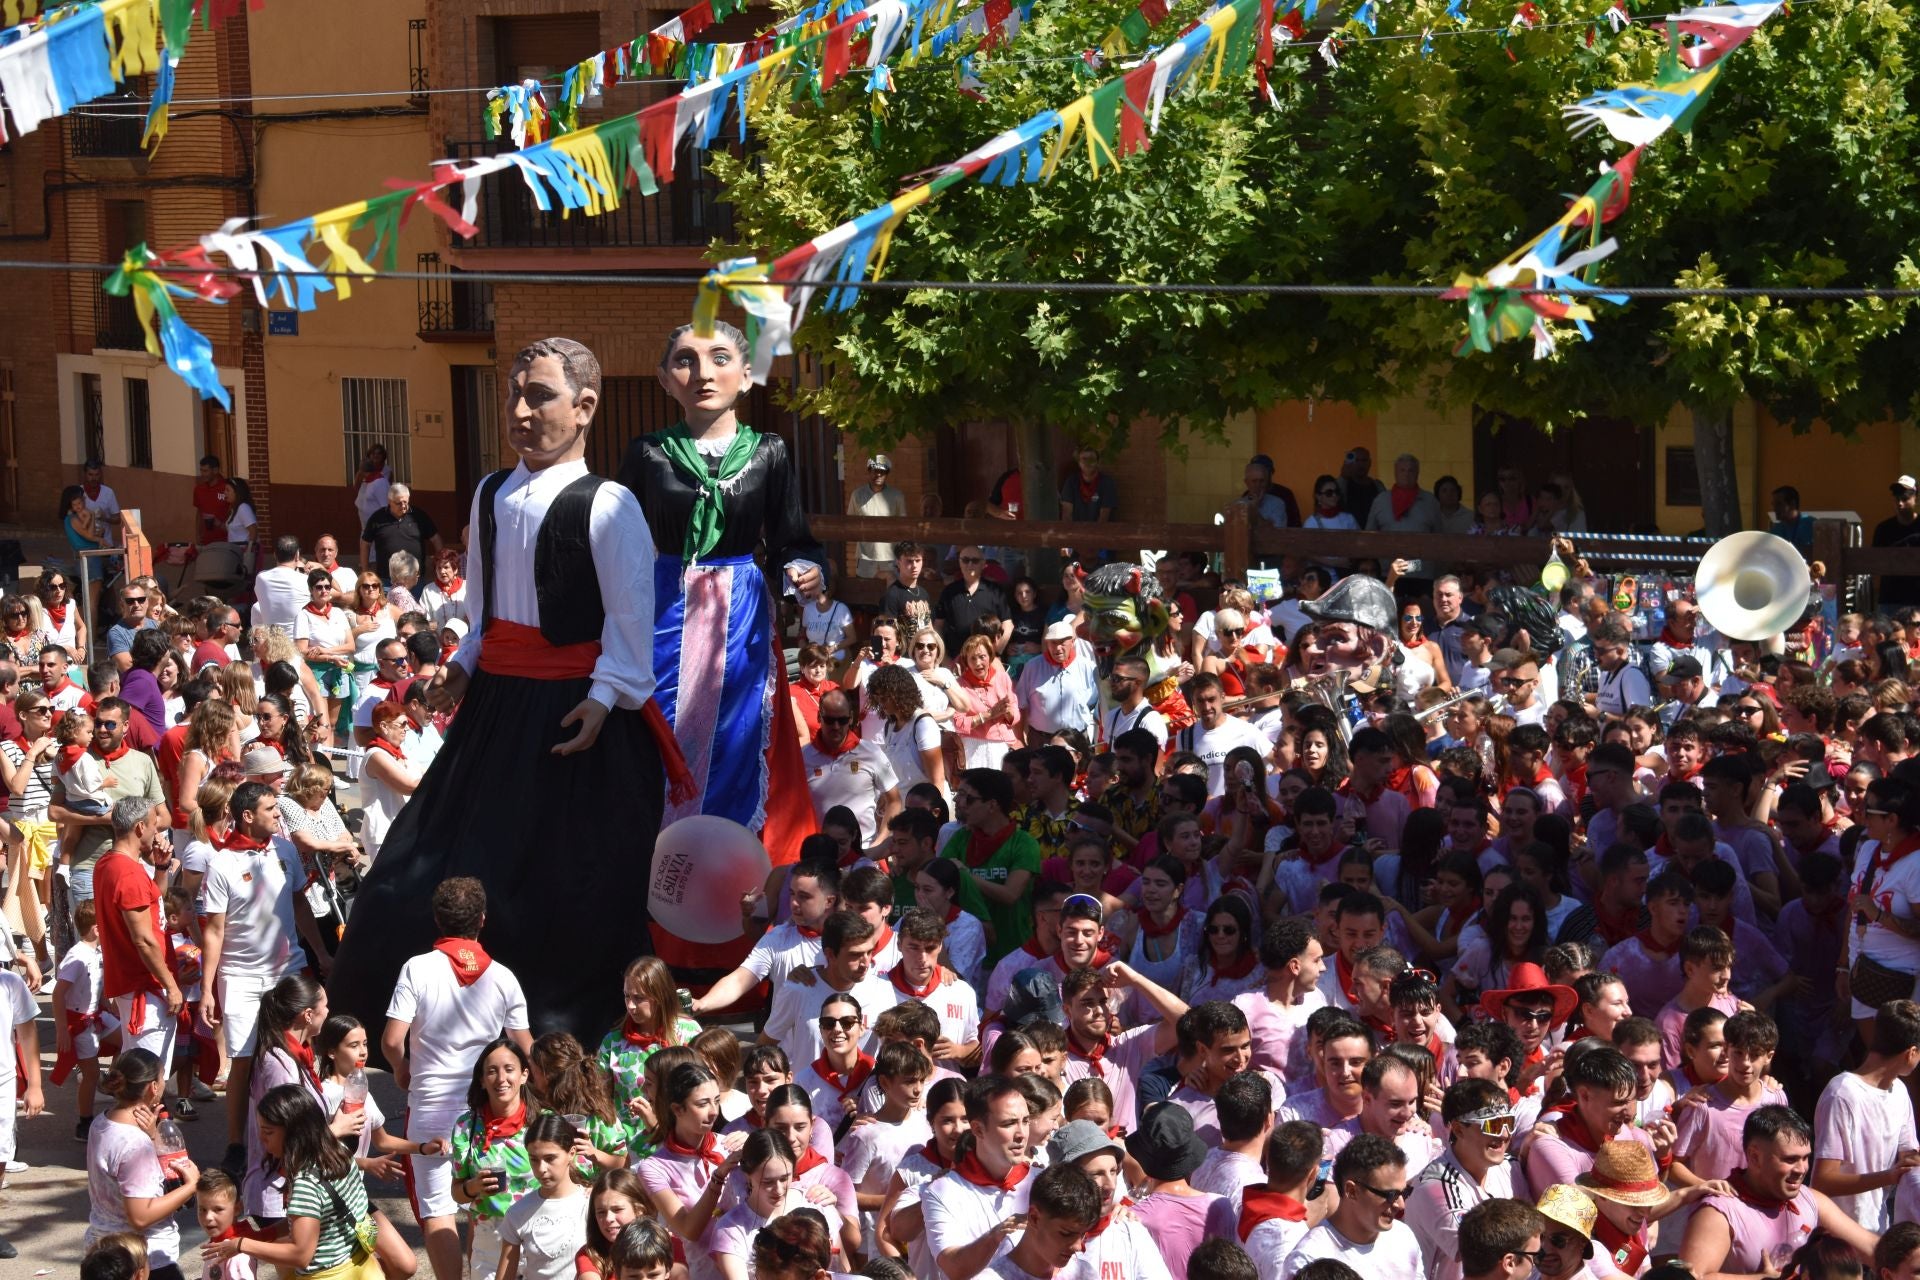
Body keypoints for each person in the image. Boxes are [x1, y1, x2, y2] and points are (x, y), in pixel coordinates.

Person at [334, 338, 691, 1045]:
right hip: (497, 708)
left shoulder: (610, 503)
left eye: (541, 397)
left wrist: (603, 697)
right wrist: (465, 663)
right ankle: (439, 1020)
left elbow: (631, 623)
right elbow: (484, 612)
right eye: (514, 396)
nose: (520, 412)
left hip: (579, 718)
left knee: (566, 883)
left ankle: (564, 1036)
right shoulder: (491, 491)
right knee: (421, 872)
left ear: (586, 407)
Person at [617, 322, 823, 901]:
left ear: (748, 373)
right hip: (664, 609)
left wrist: (804, 569)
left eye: (720, 358)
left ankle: (731, 886)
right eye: (685, 361)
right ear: (664, 379)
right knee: (658, 735)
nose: (703, 373)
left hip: (740, 620)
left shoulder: (770, 452)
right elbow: (617, 538)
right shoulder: (648, 452)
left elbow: (792, 539)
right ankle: (653, 881)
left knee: (738, 739)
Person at [380, 877, 534, 1280]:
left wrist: (402, 1069)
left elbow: (393, 1040)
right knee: (487, 1203)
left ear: (436, 919)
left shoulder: (417, 968)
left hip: (429, 1105)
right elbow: (526, 1047)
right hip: (486, 1107)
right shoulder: (503, 976)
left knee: (437, 1210)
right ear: (483, 920)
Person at [202, 782, 325, 1166]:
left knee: (300, 1052)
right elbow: (213, 930)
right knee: (243, 1059)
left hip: (286, 974)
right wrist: (207, 989)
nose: (278, 813)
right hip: (239, 976)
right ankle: (238, 1145)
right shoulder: (221, 863)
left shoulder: (286, 851)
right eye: (271, 808)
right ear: (247, 816)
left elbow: (299, 903)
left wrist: (320, 952)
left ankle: (306, 1132)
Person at [1679, 1106, 1879, 1280]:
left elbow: (1873, 1250)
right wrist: (1761, 1279)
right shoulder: (1719, 1212)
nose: (1801, 1169)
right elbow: (1690, 1278)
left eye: (1805, 1158)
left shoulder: (1810, 1199)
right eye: (1790, 1159)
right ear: (1755, 1157)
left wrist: (1907, 1257)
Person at [84, 1049, 198, 1280]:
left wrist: (153, 1135)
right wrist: (191, 1186)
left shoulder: (102, 1121)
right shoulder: (135, 1144)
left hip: (104, 1250)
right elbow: (140, 1216)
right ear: (153, 1087)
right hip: (144, 1260)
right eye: (162, 1077)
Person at [1812, 997, 1920, 1232]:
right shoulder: (1842, 1093)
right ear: (1911, 1053)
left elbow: (1909, 1155)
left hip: (1878, 1231)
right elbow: (1823, 1181)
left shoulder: (1899, 1090)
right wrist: (1888, 1176)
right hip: (1837, 1239)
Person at [1404, 1078, 1526, 1280]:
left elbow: (1534, 1230)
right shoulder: (1436, 1186)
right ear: (1459, 1129)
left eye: (1509, 1123)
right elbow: (1481, 1253)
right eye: (1494, 1125)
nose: (1504, 1135)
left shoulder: (1510, 1166)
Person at [1280, 1133, 1424, 1280]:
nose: (1400, 1205)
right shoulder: (1308, 1259)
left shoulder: (1404, 1237)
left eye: (1404, 1192)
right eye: (1390, 1195)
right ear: (1352, 1191)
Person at [936, 546, 1015, 656]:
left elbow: (1008, 625)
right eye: (965, 560)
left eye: (975, 561)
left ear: (983, 564)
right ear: (959, 562)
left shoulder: (995, 591)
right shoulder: (949, 592)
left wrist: (995, 653)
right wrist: (945, 659)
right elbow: (938, 626)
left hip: (986, 663)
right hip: (956, 662)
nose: (970, 564)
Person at [849, 454, 906, 578]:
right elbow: (850, 522)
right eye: (875, 471)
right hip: (865, 555)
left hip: (890, 555)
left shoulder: (897, 496)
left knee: (892, 590)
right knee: (864, 590)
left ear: (887, 474)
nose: (878, 475)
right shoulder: (857, 495)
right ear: (869, 472)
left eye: (882, 472)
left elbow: (903, 526)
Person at [1873, 474, 1920, 608]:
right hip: (1890, 599)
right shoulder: (1883, 529)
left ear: (1915, 498)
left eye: (1905, 498)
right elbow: (1874, 562)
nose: (1900, 503)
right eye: (1897, 498)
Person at [353, 444, 391, 530]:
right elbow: (357, 486)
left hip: (377, 512)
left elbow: (385, 496)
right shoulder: (363, 468)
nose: (376, 455)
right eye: (373, 453)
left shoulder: (386, 471)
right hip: (364, 510)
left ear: (383, 455)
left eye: (379, 453)